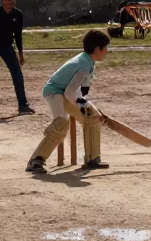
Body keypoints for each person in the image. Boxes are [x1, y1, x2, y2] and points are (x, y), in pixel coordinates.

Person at [25, 29, 111, 173]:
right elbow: (69, 92)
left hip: (66, 93)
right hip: (54, 92)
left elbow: (78, 92)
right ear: (97, 49)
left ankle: (92, 158)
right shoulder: (83, 64)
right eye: (105, 48)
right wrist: (84, 105)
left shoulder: (88, 61)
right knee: (61, 124)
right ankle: (35, 161)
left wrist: (89, 108)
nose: (107, 51)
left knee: (91, 117)